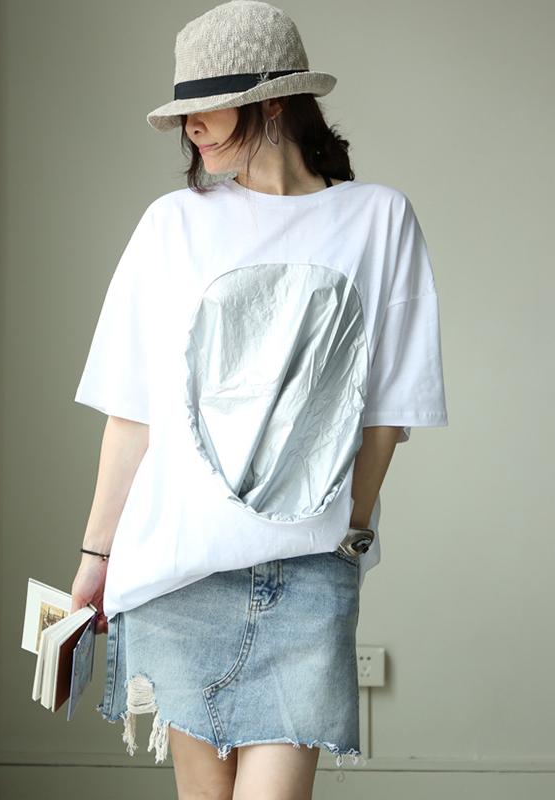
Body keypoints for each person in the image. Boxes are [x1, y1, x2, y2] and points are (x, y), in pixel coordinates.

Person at [69, 1, 448, 797]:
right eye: (185, 115)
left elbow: (388, 409)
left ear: (272, 103)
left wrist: (346, 536)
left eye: (208, 108)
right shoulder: (172, 225)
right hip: (178, 575)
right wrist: (95, 558)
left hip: (306, 579)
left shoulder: (378, 219)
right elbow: (133, 412)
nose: (191, 129)